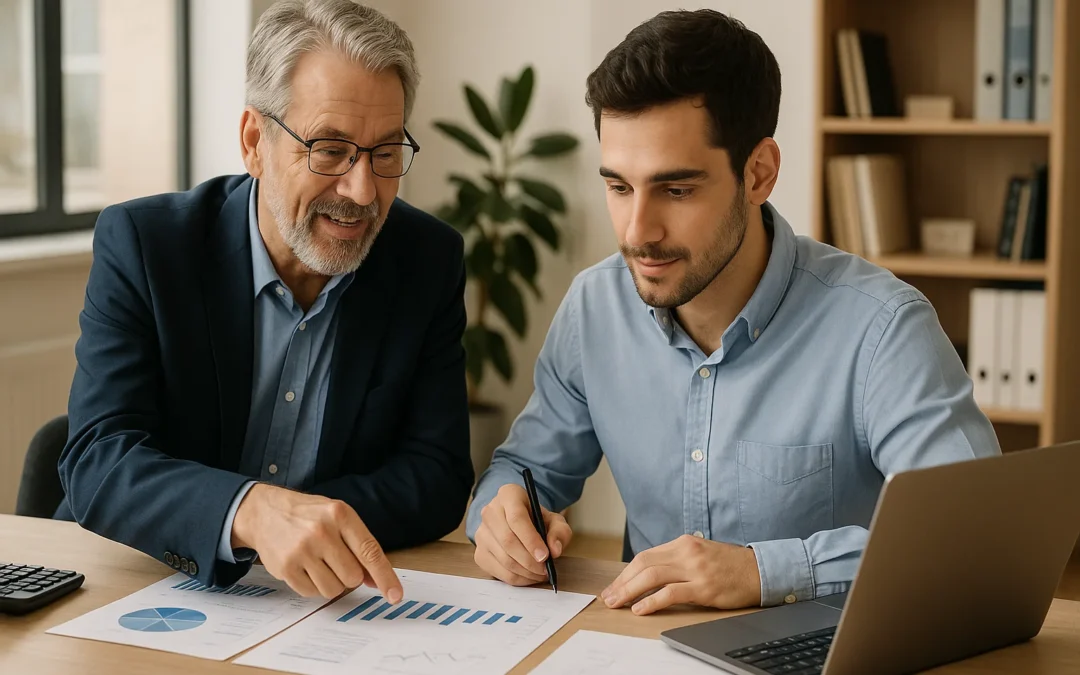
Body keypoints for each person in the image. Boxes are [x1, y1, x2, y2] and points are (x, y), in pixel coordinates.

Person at [467, 9, 1000, 614]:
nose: (638, 231)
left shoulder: (882, 329)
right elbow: (521, 471)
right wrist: (504, 515)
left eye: (676, 189)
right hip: (641, 650)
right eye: (618, 187)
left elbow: (974, 537)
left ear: (759, 173)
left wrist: (763, 571)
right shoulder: (594, 309)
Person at [57, 0, 472, 603]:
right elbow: (98, 457)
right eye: (330, 149)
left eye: (385, 154)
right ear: (255, 141)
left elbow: (436, 476)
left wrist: (302, 524)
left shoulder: (426, 260)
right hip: (137, 586)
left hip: (317, 605)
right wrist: (250, 513)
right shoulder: (148, 246)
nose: (362, 191)